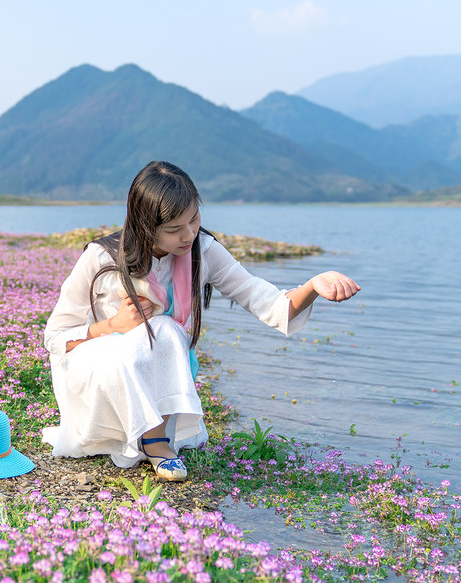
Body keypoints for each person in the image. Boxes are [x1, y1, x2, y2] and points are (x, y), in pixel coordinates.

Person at [41, 161, 360, 481]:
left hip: (152, 367)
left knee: (164, 328)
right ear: (144, 226)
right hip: (97, 371)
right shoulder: (101, 256)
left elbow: (268, 303)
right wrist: (110, 326)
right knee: (160, 329)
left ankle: (154, 437)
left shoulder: (202, 250)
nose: (189, 234)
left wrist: (313, 286)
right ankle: (152, 441)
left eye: (194, 219)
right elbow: (55, 336)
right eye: (173, 229)